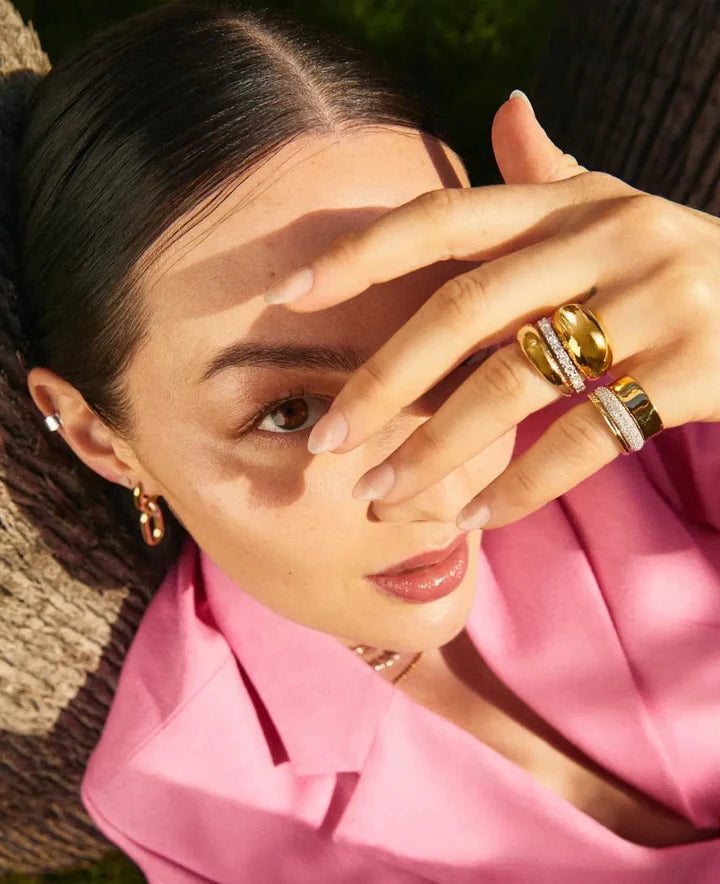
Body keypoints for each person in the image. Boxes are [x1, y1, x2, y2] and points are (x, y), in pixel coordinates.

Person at [14, 0, 720, 881]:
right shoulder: (184, 793)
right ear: (100, 438)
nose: (439, 475)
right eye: (291, 413)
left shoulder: (651, 407)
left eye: (453, 346)